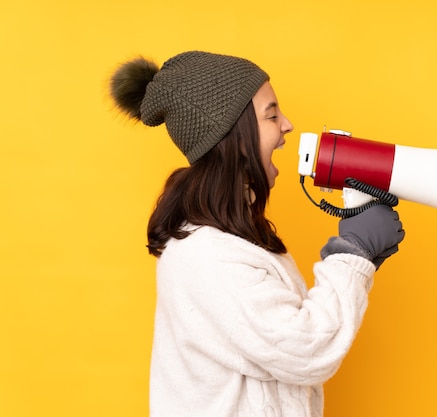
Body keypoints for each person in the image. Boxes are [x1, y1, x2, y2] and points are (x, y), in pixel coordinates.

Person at [109, 50, 405, 417]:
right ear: (232, 134)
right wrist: (353, 254)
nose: (288, 125)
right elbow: (304, 349)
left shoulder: (231, 240)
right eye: (271, 114)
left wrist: (358, 263)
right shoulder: (207, 256)